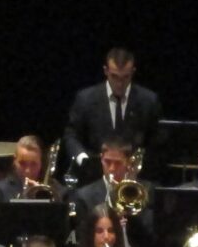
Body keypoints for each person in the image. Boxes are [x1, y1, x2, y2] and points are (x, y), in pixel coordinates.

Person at [62, 47, 162, 179]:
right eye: (114, 76)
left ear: (133, 72)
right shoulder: (86, 99)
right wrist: (83, 158)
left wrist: (139, 164)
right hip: (93, 176)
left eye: (125, 77)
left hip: (135, 177)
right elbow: (71, 134)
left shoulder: (148, 101)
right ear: (106, 71)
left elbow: (156, 142)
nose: (120, 84)